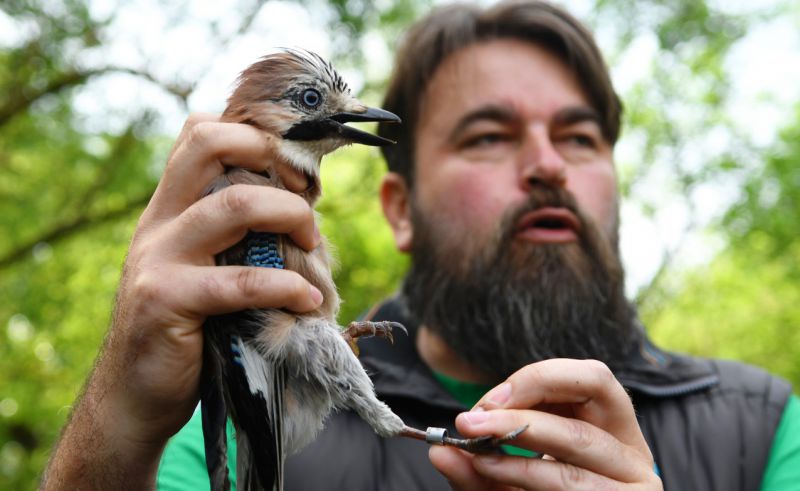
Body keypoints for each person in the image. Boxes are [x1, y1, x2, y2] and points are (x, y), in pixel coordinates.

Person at [42, 1, 800, 490]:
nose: (546, 164)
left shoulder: (761, 426)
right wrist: (116, 421)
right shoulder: (187, 438)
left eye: (578, 136)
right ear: (398, 210)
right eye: (489, 136)